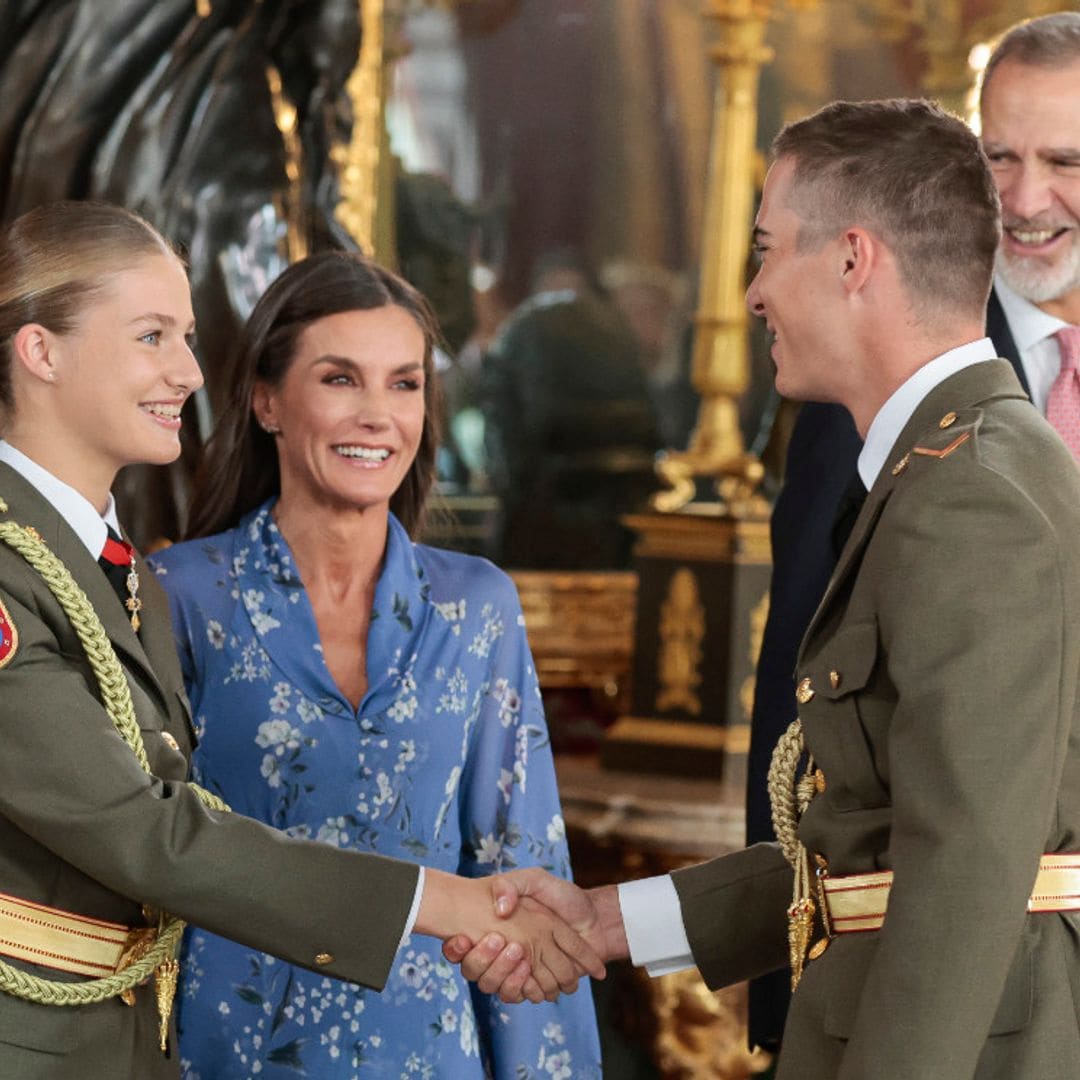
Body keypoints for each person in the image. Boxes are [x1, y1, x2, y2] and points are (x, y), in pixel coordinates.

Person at [454, 97, 1080, 1080]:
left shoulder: (972, 496)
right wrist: (608, 922)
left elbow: (962, 879)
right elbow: (868, 840)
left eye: (766, 249)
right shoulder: (949, 466)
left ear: (851, 260)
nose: (751, 293)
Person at [0, 200, 603, 1078]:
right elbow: (151, 836)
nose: (188, 372)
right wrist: (446, 905)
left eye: (406, 382)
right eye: (153, 336)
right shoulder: (153, 586)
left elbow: (520, 853)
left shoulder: (102, 565)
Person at [742, 10, 1080, 1050]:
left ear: (853, 259)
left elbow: (968, 855)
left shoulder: (969, 478)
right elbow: (832, 768)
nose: (1024, 200)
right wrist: (636, 925)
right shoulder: (878, 426)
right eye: (1000, 159)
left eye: (1065, 160)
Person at [480, 249, 661, 569]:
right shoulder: (618, 333)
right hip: (619, 536)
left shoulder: (520, 331)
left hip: (536, 532)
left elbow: (505, 448)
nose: (564, 304)